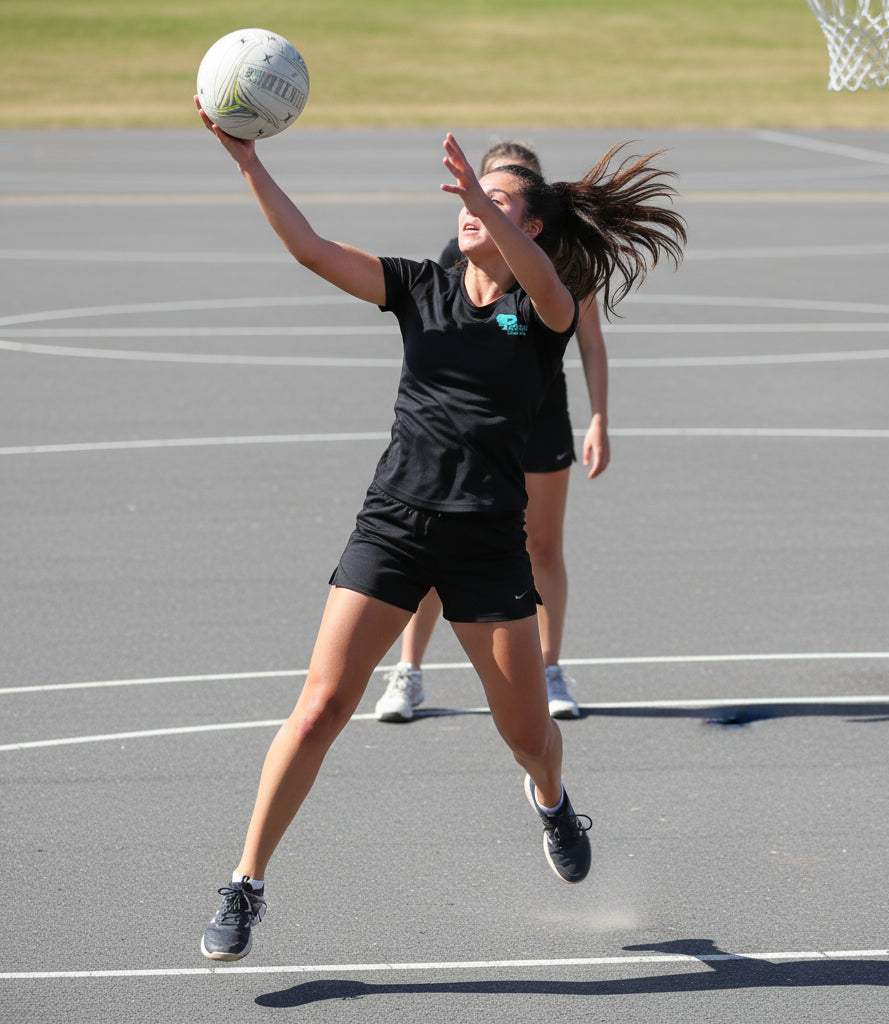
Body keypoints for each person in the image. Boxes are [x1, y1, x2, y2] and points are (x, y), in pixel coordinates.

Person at [194, 98, 687, 962]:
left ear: (528, 224)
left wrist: (488, 196)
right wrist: (247, 161)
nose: (470, 208)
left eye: (495, 202)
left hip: (488, 542)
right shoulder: (418, 286)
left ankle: (552, 801)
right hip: (394, 523)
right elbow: (311, 249)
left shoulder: (546, 310)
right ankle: (245, 883)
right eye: (466, 198)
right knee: (318, 710)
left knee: (528, 738)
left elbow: (543, 280)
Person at [374, 141, 610, 724]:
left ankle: (549, 666)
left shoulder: (562, 266)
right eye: (478, 189)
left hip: (539, 416)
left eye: (497, 195)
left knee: (542, 547)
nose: (477, 203)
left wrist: (600, 416)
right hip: (476, 425)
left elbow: (590, 341)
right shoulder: (461, 250)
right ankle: (409, 669)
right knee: (435, 543)